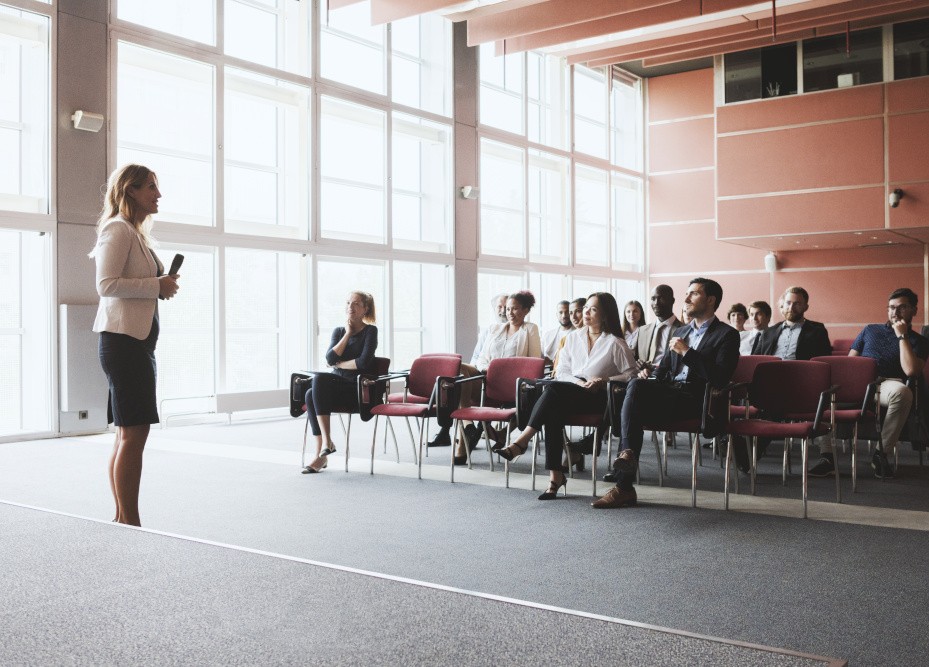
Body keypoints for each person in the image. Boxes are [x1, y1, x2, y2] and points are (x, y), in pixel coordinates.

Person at [593, 278, 740, 509]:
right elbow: (663, 372)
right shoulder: (681, 331)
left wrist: (687, 352)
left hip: (695, 401)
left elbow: (720, 378)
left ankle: (623, 483)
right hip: (669, 395)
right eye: (687, 293)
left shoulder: (726, 334)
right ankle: (626, 469)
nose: (686, 298)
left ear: (710, 300)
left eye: (694, 294)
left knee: (634, 403)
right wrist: (647, 377)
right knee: (630, 389)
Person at [91, 164, 180, 526]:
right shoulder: (117, 229)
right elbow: (106, 284)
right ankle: (130, 521)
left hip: (136, 343)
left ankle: (122, 518)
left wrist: (161, 285)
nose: (158, 195)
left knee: (128, 432)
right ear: (129, 190)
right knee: (135, 432)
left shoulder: (136, 234)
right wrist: (156, 286)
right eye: (151, 188)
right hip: (124, 344)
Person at [494, 293, 636, 500]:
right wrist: (580, 383)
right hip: (572, 390)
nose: (586, 312)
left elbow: (630, 374)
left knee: (552, 394)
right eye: (586, 307)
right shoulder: (572, 337)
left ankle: (522, 442)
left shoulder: (614, 342)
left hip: (598, 398)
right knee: (553, 406)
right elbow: (562, 371)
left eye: (593, 309)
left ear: (605, 315)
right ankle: (555, 475)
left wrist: (604, 380)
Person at [809, 288, 929, 479]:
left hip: (886, 385)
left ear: (914, 310)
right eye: (891, 308)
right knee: (823, 391)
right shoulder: (870, 330)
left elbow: (911, 371)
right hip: (859, 383)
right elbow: (849, 363)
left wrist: (902, 336)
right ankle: (827, 457)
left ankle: (880, 454)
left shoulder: (919, 341)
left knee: (903, 393)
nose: (895, 312)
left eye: (902, 307)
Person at [302, 291, 378, 474]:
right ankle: (324, 448)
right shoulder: (339, 331)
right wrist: (348, 335)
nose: (350, 307)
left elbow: (363, 362)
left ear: (365, 309)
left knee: (317, 383)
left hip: (355, 389)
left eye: (356, 304)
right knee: (309, 393)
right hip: (336, 385)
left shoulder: (370, 331)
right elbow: (329, 359)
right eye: (348, 303)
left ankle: (324, 451)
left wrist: (341, 363)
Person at [430, 292, 508, 448]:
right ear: (494, 309)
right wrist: (478, 370)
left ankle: (459, 430)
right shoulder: (489, 331)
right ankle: (465, 427)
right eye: (500, 306)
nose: (503, 310)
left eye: (507, 307)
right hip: (481, 373)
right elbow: (476, 356)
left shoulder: (522, 331)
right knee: (457, 374)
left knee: (457, 383)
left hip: (499, 380)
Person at [751, 286, 832, 359]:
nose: (791, 308)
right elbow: (755, 360)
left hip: (801, 373)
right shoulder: (768, 332)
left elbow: (824, 361)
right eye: (788, 303)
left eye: (797, 304)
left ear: (806, 307)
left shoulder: (818, 331)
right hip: (771, 372)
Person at [635, 285, 682, 372]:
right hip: (643, 380)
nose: (656, 303)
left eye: (661, 298)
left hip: (668, 382)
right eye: (653, 299)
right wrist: (639, 366)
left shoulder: (685, 330)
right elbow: (635, 360)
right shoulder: (642, 331)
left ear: (672, 301)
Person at [541, 300, 573, 365]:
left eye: (567, 312)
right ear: (556, 315)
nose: (564, 316)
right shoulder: (548, 334)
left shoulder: (576, 334)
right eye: (561, 312)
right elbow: (540, 355)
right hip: (547, 371)